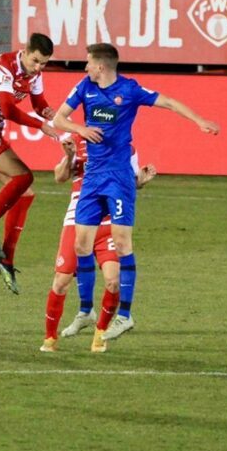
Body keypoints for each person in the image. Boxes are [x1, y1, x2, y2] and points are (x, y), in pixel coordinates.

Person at [51, 42, 219, 344]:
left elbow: (167, 102)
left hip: (118, 178)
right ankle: (86, 311)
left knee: (122, 242)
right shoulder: (84, 86)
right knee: (81, 246)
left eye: (88, 62)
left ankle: (125, 316)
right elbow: (58, 119)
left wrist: (198, 121)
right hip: (92, 179)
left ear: (101, 66)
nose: (85, 67)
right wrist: (82, 129)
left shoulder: (129, 90)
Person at [0, 33, 60, 294]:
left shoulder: (34, 73)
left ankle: (6, 259)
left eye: (44, 64)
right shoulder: (5, 65)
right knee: (24, 177)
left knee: (25, 194)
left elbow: (39, 104)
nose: (39, 67)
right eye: (36, 61)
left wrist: (51, 114)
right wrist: (41, 126)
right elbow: (8, 110)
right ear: (25, 52)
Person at [41, 133, 156, 353]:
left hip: (110, 223)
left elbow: (130, 184)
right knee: (61, 280)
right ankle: (50, 338)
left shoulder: (126, 147)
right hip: (77, 220)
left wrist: (140, 181)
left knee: (113, 282)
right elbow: (59, 176)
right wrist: (69, 156)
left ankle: (100, 334)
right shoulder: (75, 139)